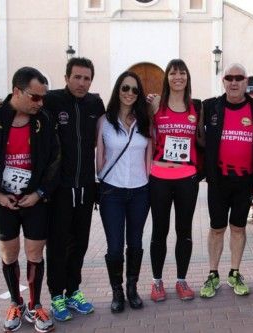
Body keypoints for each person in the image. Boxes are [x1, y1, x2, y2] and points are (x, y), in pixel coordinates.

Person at [0, 57, 105, 321]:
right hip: (57, 190)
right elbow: (11, 108)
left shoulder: (95, 103)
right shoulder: (52, 100)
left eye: (87, 78)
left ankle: (73, 292)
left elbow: (116, 117)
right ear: (66, 77)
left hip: (85, 186)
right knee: (56, 245)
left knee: (79, 244)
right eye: (77, 77)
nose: (82, 83)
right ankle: (56, 295)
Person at [0, 67, 59, 333]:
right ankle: (16, 303)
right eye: (35, 97)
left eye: (43, 97)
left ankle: (35, 304)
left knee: (34, 253)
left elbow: (55, 160)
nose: (40, 103)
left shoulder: (44, 119)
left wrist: (40, 193)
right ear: (17, 91)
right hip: (3, 201)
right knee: (9, 254)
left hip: (34, 201)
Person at [199, 63, 253, 298]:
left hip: (245, 180)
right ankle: (213, 273)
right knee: (217, 228)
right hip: (219, 180)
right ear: (223, 81)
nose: (234, 82)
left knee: (238, 227)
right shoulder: (210, 107)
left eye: (239, 78)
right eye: (229, 78)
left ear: (246, 81)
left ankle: (235, 272)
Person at [148, 59, 204, 302]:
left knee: (184, 230)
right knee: (159, 231)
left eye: (182, 72)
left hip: (186, 178)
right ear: (167, 77)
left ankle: (181, 280)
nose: (178, 77)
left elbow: (201, 141)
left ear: (187, 77)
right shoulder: (155, 106)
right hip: (159, 177)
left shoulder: (195, 108)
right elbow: (147, 138)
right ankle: (157, 282)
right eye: (173, 73)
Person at [96, 71, 152, 313]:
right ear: (118, 90)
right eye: (125, 88)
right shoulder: (103, 121)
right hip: (112, 192)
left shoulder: (145, 121)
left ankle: (132, 289)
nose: (130, 93)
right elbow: (96, 153)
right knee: (115, 246)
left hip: (140, 190)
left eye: (134, 90)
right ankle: (117, 291)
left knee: (136, 243)